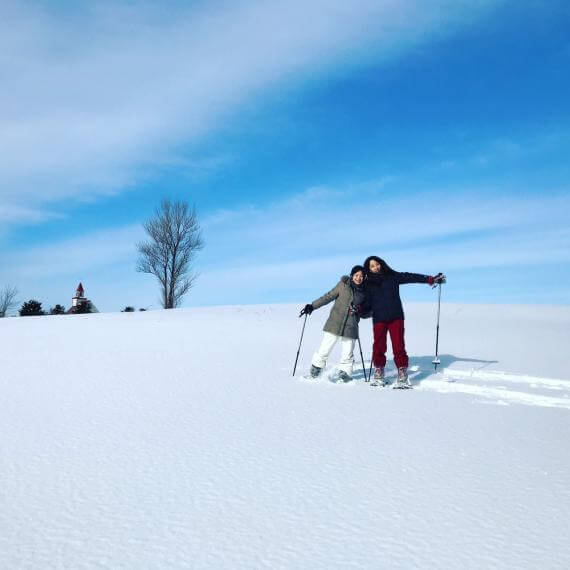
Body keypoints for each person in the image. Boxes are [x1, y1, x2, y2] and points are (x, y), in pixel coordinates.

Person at [361, 255, 445, 387]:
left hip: (396, 316)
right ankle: (379, 371)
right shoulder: (368, 284)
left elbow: (410, 277)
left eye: (377, 264)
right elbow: (365, 302)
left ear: (381, 264)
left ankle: (402, 372)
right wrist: (360, 311)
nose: (375, 267)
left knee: (398, 346)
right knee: (378, 346)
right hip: (379, 318)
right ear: (369, 269)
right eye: (372, 266)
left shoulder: (392, 276)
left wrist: (430, 279)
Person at [300, 265, 368, 382]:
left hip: (351, 326)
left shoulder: (365, 292)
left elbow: (368, 311)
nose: (358, 278)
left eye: (361, 276)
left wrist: (359, 310)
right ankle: (315, 370)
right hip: (335, 322)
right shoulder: (343, 285)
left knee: (348, 352)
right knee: (324, 348)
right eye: (356, 275)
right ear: (352, 276)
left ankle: (345, 374)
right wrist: (312, 306)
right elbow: (328, 296)